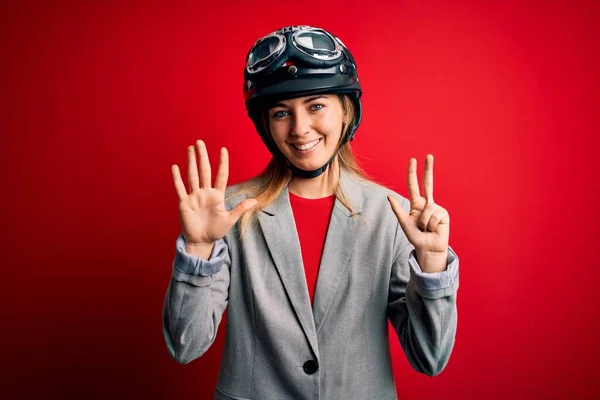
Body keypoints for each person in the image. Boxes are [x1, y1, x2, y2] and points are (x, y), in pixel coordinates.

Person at [162, 25, 459, 400]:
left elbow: (430, 357)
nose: (300, 129)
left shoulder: (395, 217)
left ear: (346, 111)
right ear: (266, 125)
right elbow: (186, 345)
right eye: (281, 112)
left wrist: (432, 264)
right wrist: (198, 248)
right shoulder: (227, 213)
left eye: (316, 105)